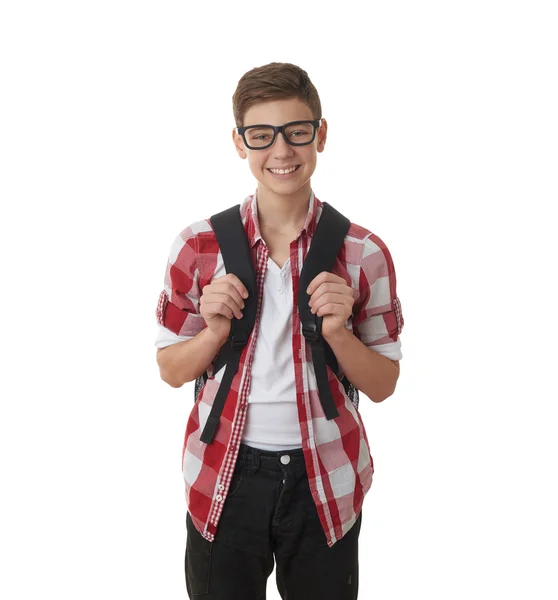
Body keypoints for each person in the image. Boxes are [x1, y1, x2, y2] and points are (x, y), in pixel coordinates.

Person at [155, 62, 404, 600]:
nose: (282, 151)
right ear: (240, 143)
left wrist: (340, 334)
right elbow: (171, 371)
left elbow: (384, 385)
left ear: (321, 134)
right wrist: (214, 330)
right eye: (262, 136)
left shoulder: (362, 252)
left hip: (328, 474)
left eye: (297, 132)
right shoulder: (197, 246)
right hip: (223, 473)